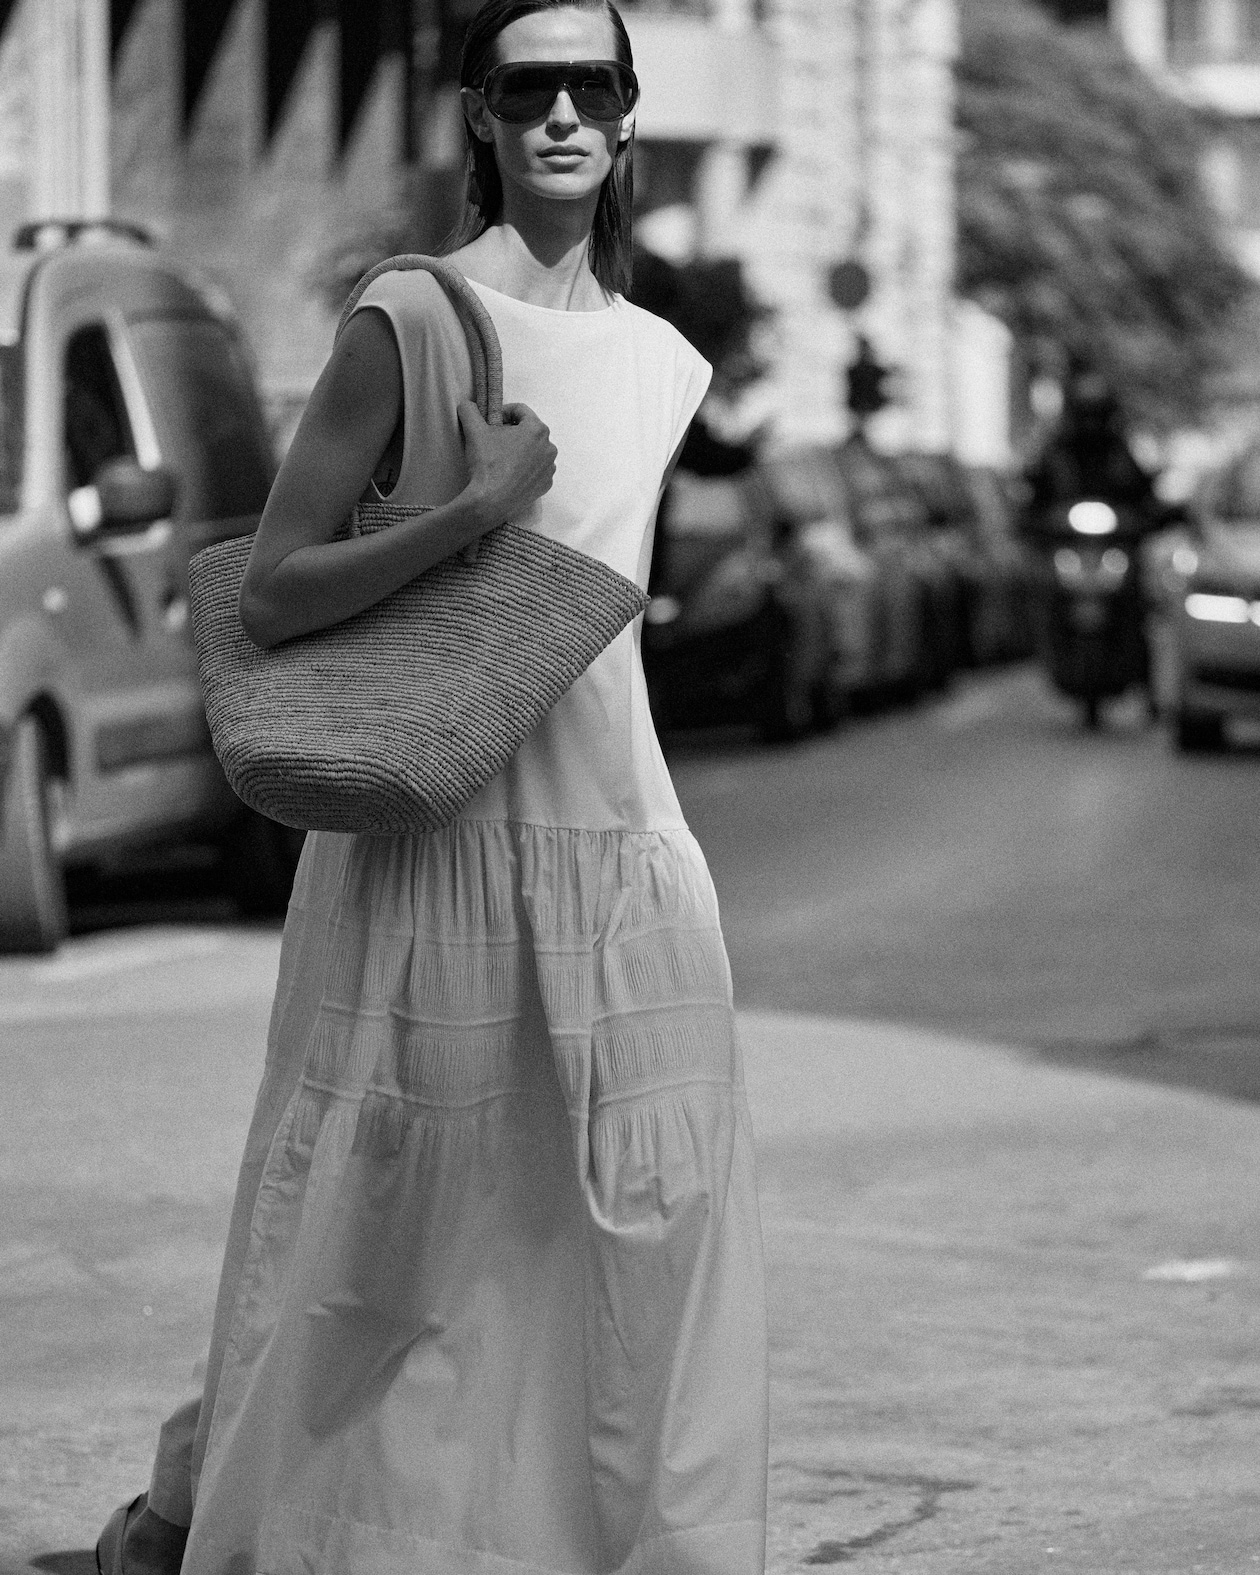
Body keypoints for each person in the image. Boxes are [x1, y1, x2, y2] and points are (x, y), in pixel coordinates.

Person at [95, 3, 769, 1573]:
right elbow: (271, 592)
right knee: (379, 1241)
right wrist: (475, 511)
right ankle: (218, 1522)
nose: (556, 116)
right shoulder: (411, 316)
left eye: (584, 87)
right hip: (434, 844)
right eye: (520, 88)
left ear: (625, 113)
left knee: (640, 1225)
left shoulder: (666, 364)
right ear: (477, 117)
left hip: (623, 841)